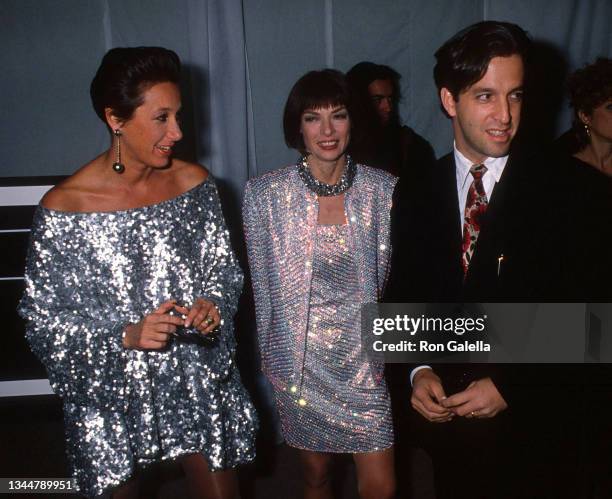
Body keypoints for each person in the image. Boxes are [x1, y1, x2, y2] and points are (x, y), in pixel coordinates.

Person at [18, 47, 256, 499]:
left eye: (179, 116)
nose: (178, 132)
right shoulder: (65, 208)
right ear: (116, 119)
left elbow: (224, 270)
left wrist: (213, 304)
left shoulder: (195, 185)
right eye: (162, 118)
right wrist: (124, 335)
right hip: (112, 393)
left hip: (194, 377)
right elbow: (43, 324)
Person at [386, 21, 576, 498]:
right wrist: (416, 369)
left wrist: (512, 384)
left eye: (515, 95)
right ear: (449, 100)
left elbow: (593, 318)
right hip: (451, 434)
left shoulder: (569, 188)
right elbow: (401, 297)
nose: (505, 115)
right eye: (485, 96)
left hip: (542, 432)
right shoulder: (413, 188)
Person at [243, 69, 396, 499]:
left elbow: (396, 282)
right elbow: (262, 291)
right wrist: (273, 363)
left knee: (383, 486)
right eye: (313, 118)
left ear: (354, 122)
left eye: (339, 115)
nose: (327, 131)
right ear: (298, 126)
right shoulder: (264, 195)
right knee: (316, 478)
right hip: (301, 363)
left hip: (367, 362)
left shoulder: (383, 192)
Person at [346, 61, 435, 177]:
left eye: (390, 99)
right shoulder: (340, 144)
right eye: (377, 100)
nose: (387, 107)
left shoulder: (411, 146)